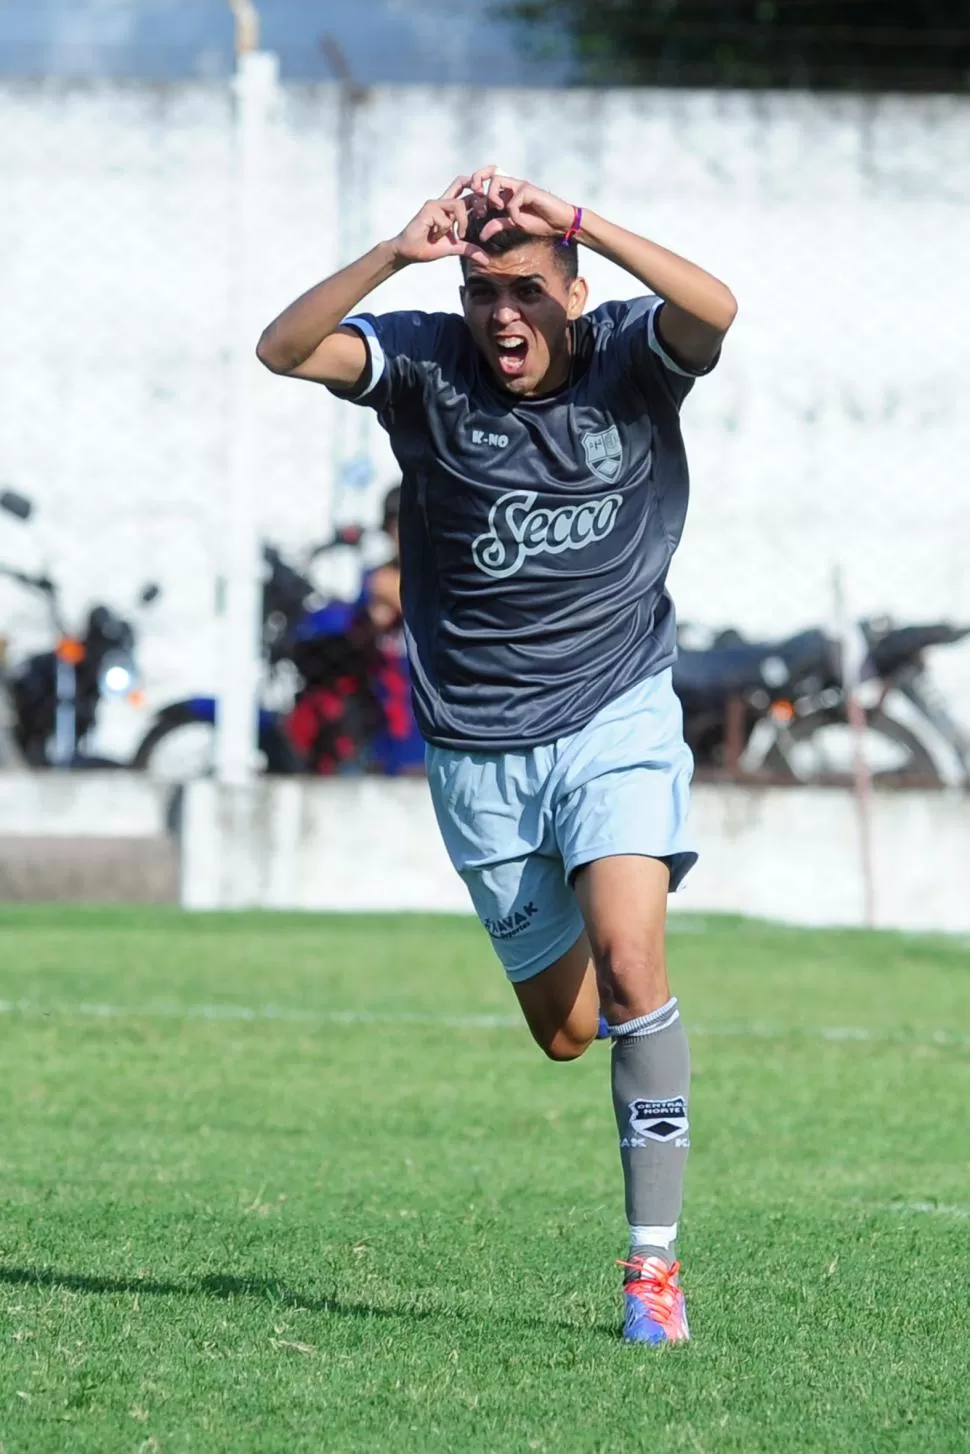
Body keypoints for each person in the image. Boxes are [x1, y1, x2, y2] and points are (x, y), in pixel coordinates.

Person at [257, 165, 737, 1344]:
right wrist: (395, 252)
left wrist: (574, 219)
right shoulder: (425, 365)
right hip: (478, 749)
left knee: (632, 967)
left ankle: (652, 1274)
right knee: (569, 1028)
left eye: (525, 289)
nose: (500, 315)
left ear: (573, 290)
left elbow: (716, 308)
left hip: (616, 707)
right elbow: (283, 348)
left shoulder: (631, 351)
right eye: (482, 293)